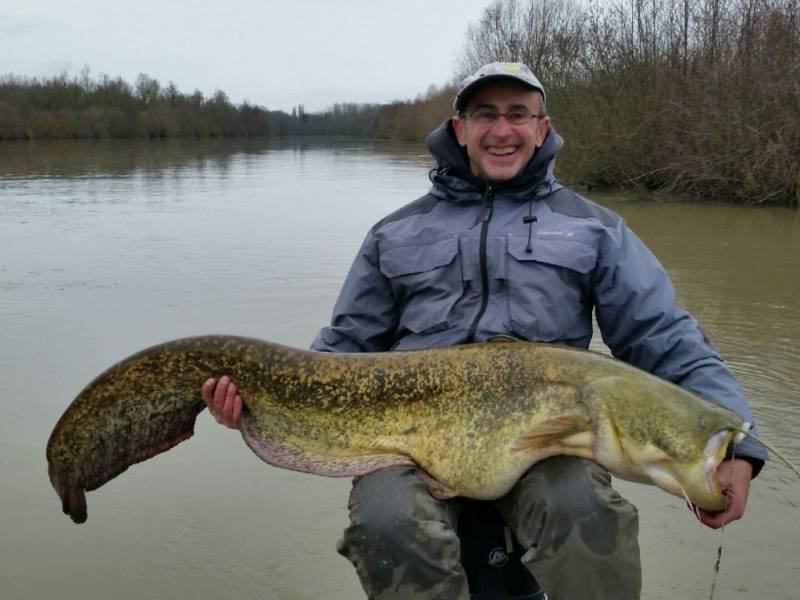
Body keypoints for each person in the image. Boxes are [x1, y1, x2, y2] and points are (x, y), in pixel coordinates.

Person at [202, 62, 767, 600]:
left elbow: (663, 336)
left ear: (542, 128)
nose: (503, 129)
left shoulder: (594, 229)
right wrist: (256, 400)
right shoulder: (393, 233)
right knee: (387, 522)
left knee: (585, 514)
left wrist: (739, 444)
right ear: (460, 129)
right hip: (410, 438)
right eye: (485, 114)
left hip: (544, 438)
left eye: (518, 113)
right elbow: (344, 351)